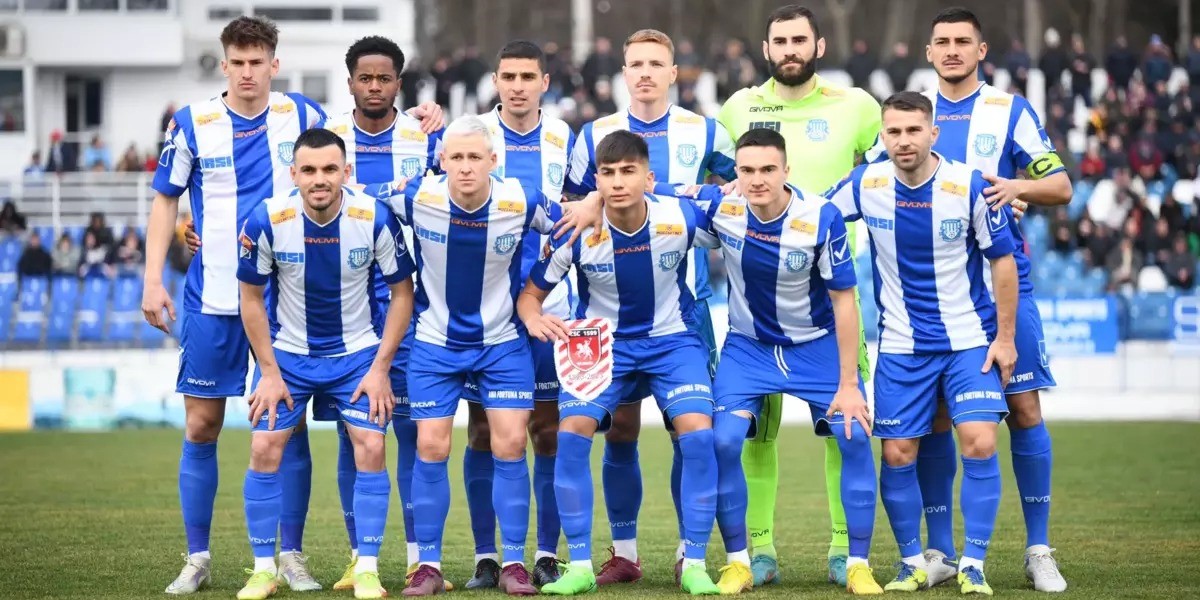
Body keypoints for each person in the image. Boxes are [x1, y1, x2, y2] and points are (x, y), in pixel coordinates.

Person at [871, 8, 1073, 592]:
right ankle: (940, 552)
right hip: (932, 306)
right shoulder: (911, 118)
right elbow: (872, 185)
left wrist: (1017, 186)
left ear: (981, 50)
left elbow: (1060, 185)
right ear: (929, 52)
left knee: (1025, 411)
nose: (953, 50)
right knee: (934, 421)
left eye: (964, 41)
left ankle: (1038, 549)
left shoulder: (1009, 110)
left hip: (1005, 290)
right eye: (943, 42)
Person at [140, 16, 329, 595]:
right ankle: (197, 558)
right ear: (224, 65)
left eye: (257, 62)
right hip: (213, 297)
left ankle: (290, 555)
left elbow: (352, 156)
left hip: (287, 303)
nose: (248, 72)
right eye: (238, 63)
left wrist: (425, 117)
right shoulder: (191, 123)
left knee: (285, 429)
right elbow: (165, 201)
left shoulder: (305, 115)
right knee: (202, 424)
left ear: (275, 64)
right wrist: (152, 279)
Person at [658, 128, 882, 595]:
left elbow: (845, 301)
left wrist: (849, 384)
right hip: (749, 349)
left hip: (816, 347)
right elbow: (657, 193)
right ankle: (739, 562)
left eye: (767, 169)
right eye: (747, 170)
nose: (757, 179)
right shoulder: (723, 208)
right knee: (723, 442)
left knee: (854, 434)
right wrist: (594, 198)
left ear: (786, 171)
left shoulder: (820, 216)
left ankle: (858, 564)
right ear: (735, 174)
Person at [364, 115, 569, 597]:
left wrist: (536, 290)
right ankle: (428, 567)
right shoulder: (418, 196)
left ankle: (514, 564)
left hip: (502, 342)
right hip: (435, 344)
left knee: (511, 444)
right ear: (441, 161)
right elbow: (352, 198)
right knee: (431, 446)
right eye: (456, 157)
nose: (465, 166)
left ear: (493, 161)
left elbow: (570, 226)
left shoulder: (520, 200)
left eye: (475, 157)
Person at [716, 4, 881, 587]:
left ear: (818, 45)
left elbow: (894, 165)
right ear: (766, 49)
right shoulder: (738, 107)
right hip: (756, 314)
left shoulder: (856, 106)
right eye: (780, 40)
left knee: (847, 431)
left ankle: (844, 552)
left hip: (828, 300)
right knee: (750, 438)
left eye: (799, 40)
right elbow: (715, 184)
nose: (790, 49)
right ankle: (756, 553)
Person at [564, 28, 736, 586]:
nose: (644, 73)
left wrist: (701, 195)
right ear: (623, 72)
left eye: (655, 63)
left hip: (685, 309)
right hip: (609, 313)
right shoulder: (593, 134)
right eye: (635, 63)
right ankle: (625, 553)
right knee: (620, 431)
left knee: (691, 431)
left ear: (672, 73)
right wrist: (593, 197)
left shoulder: (705, 130)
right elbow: (573, 205)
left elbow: (739, 192)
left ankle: (691, 553)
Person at [827, 91, 1018, 597]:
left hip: (967, 342)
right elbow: (808, 212)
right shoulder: (865, 184)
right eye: (894, 131)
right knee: (897, 454)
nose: (904, 140)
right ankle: (914, 561)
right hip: (901, 347)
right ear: (882, 136)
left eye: (914, 130)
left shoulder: (968, 185)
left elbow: (1003, 261)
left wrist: (1005, 338)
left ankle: (973, 564)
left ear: (933, 133)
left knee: (980, 441)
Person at [519, 130, 721, 596]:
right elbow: (531, 295)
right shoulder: (576, 231)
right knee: (571, 436)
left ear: (648, 178)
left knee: (698, 434)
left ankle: (693, 561)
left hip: (671, 340)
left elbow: (731, 208)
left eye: (628, 172)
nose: (617, 182)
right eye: (607, 174)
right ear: (596, 180)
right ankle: (582, 565)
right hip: (601, 344)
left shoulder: (680, 216)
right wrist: (533, 318)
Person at [233, 128, 415, 600]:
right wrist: (268, 371)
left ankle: (367, 568)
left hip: (357, 356)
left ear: (346, 172)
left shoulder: (373, 217)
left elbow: (402, 295)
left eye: (330, 169)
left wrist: (380, 369)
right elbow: (250, 299)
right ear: (293, 173)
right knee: (263, 446)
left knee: (370, 445)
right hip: (288, 358)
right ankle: (263, 569)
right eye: (309, 170)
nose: (320, 179)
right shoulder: (267, 219)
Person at [319, 34, 445, 592]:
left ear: (399, 82)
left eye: (384, 78)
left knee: (415, 432)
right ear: (350, 82)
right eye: (365, 78)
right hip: (344, 310)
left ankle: (420, 559)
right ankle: (359, 556)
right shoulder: (328, 137)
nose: (374, 87)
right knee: (354, 436)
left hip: (410, 304)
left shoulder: (427, 137)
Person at [462, 39, 577, 590]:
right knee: (482, 432)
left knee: (547, 432)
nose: (517, 86)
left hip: (549, 308)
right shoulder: (471, 134)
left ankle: (547, 554)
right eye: (508, 76)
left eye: (527, 77)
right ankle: (487, 556)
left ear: (544, 83)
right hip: (485, 313)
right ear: (495, 80)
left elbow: (588, 204)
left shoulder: (565, 138)